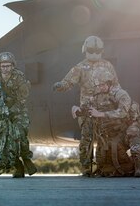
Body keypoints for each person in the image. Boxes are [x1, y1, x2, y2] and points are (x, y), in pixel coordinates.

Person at [52, 36, 120, 176]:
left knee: (104, 140)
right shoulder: (80, 67)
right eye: (91, 50)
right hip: (87, 110)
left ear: (102, 51)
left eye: (97, 50)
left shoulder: (108, 66)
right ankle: (86, 168)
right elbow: (68, 82)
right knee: (86, 140)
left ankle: (103, 168)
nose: (94, 53)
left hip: (104, 110)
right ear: (85, 50)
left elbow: (115, 86)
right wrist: (61, 86)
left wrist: (120, 100)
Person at [0, 52, 37, 178]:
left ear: (13, 66)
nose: (5, 68)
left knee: (20, 134)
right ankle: (17, 166)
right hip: (0, 111)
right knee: (4, 139)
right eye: (3, 66)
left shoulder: (19, 76)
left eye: (8, 66)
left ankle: (26, 158)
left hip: (18, 110)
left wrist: (12, 111)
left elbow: (23, 97)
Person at [78, 67, 140, 177]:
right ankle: (88, 167)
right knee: (104, 163)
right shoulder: (97, 96)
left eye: (102, 85)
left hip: (124, 132)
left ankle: (138, 165)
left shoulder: (121, 94)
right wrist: (77, 109)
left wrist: (101, 114)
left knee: (134, 130)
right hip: (108, 134)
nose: (100, 87)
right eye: (98, 85)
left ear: (109, 83)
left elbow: (122, 112)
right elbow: (86, 107)